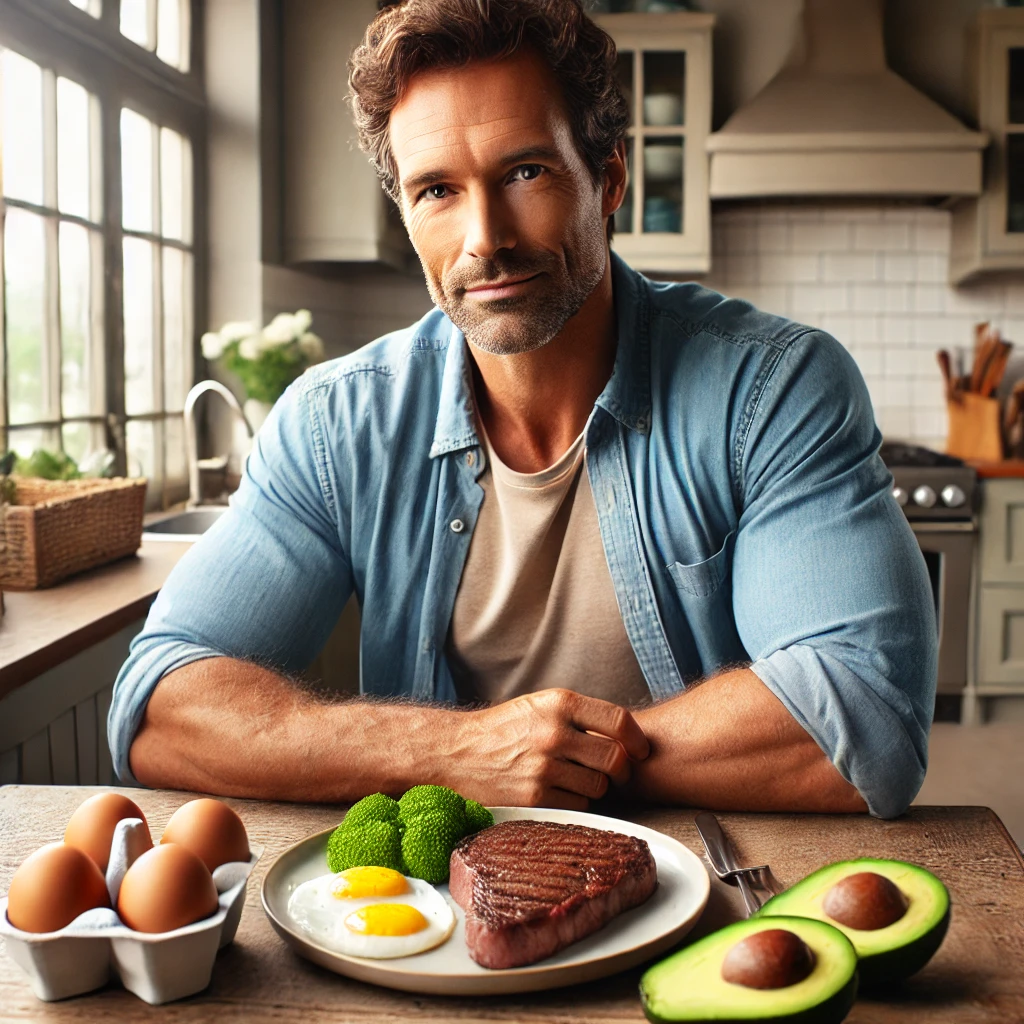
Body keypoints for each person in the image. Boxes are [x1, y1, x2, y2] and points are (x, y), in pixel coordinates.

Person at [111, 0, 936, 819]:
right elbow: (158, 708)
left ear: (607, 177)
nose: (485, 238)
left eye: (525, 173)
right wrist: (457, 757)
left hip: (713, 886)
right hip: (442, 917)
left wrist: (553, 768)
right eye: (437, 190)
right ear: (405, 212)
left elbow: (866, 717)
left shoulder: (773, 389)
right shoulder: (335, 427)